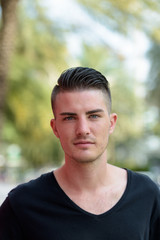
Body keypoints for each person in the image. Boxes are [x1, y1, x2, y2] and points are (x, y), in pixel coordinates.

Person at [0, 67, 160, 239]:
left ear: (111, 123)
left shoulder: (147, 195)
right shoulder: (22, 204)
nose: (83, 130)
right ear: (55, 128)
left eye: (93, 116)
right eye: (69, 118)